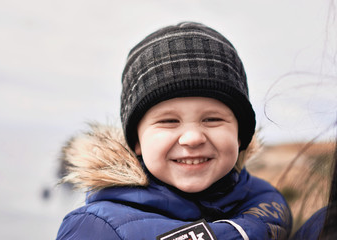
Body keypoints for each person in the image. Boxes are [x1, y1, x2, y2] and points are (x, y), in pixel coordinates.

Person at [56, 22, 292, 239]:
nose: (192, 138)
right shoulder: (95, 228)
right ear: (136, 141)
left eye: (212, 119)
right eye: (169, 121)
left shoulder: (262, 197)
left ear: (240, 135)